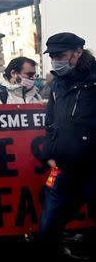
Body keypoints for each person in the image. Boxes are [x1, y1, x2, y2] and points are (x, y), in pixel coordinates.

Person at [37, 33, 96, 261]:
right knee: (49, 224)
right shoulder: (57, 84)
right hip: (62, 167)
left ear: (78, 52)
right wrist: (50, 153)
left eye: (60, 55)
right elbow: (51, 122)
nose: (55, 61)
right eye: (52, 56)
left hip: (92, 168)